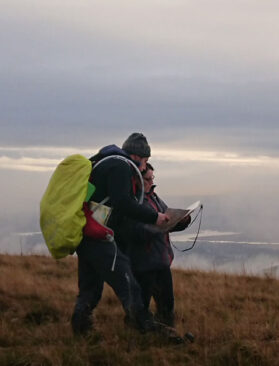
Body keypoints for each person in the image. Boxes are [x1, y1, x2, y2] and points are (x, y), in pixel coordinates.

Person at [71, 133, 170, 336]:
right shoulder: (120, 167)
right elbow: (123, 203)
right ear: (138, 156)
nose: (144, 167)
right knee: (128, 283)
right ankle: (146, 329)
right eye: (146, 161)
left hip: (87, 234)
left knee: (90, 288)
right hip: (99, 238)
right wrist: (154, 217)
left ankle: (80, 331)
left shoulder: (106, 162)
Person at [125, 163, 190, 328]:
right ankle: (136, 336)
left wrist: (183, 221)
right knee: (140, 307)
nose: (151, 182)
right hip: (143, 264)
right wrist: (158, 227)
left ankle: (167, 333)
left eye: (152, 178)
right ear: (137, 179)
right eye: (147, 179)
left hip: (161, 261)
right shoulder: (132, 202)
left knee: (166, 306)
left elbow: (167, 219)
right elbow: (134, 231)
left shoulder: (154, 197)